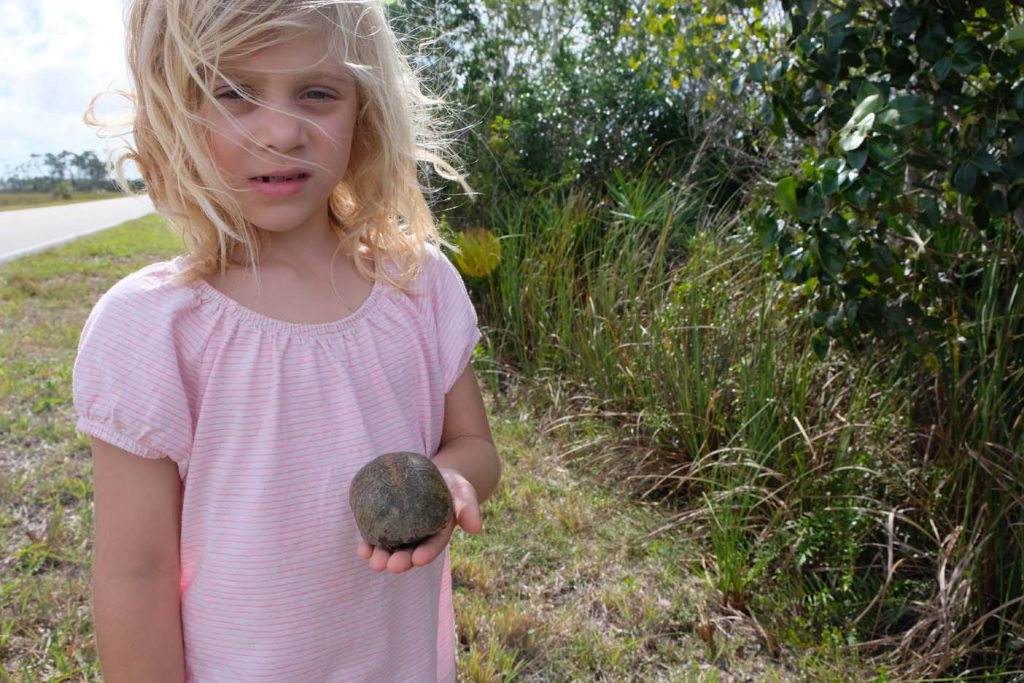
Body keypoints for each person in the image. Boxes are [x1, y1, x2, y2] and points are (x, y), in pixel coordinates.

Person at [72, 1, 500, 681]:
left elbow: (474, 444)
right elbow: (136, 571)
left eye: (318, 92)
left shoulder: (418, 285)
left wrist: (451, 482)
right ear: (174, 110)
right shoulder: (152, 328)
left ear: (365, 111)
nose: (281, 130)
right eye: (233, 92)